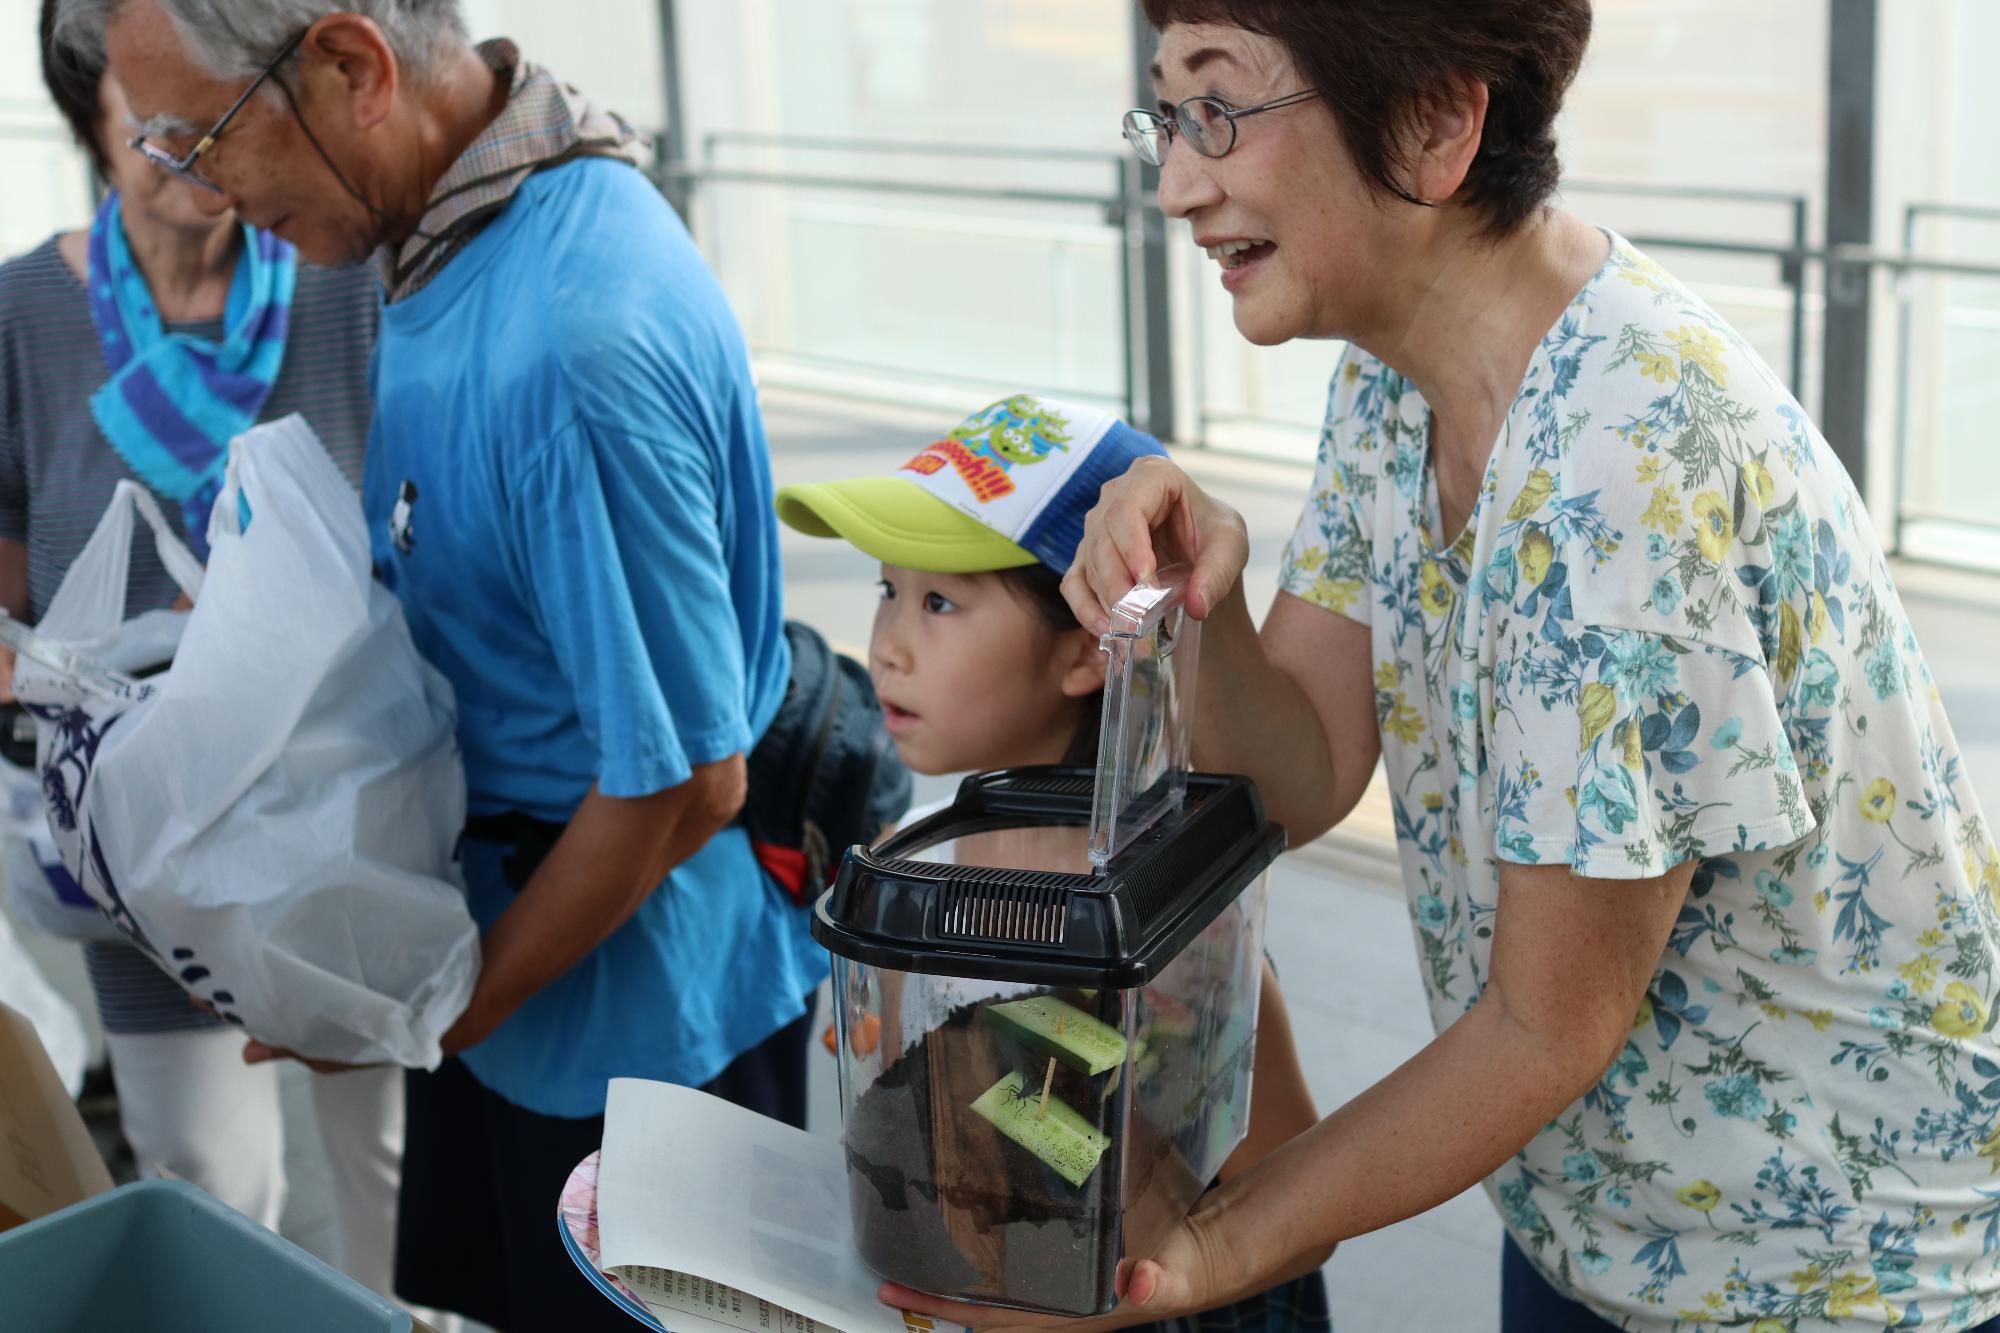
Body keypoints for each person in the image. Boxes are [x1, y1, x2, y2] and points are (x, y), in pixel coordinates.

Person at [899, 5, 2000, 1332]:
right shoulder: (1394, 376)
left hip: (1821, 1271)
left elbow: (1545, 1025)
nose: (1179, 182)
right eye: (1168, 116)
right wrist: (1211, 598)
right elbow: (1296, 777)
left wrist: (1206, 1248)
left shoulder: (1627, 466)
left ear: (1434, 121)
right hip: (1591, 1212)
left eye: (1220, 112)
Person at [51, 1, 829, 1326]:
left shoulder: (570, 339)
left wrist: (437, 1015)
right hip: (520, 974)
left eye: (201, 134)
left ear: (351, 65)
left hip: (627, 1038)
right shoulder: (450, 234)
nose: (197, 186)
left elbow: (686, 778)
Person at [0, 0, 424, 1312]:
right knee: (200, 1174)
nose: (188, 156)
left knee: (390, 1162)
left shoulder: (342, 278)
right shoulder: (26, 311)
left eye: (208, 126)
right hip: (150, 838)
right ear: (94, 123)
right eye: (152, 128)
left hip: (341, 807)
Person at [776, 393, 1332, 1333]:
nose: (887, 645)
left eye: (941, 600)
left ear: (1088, 650)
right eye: (887, 590)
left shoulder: (1174, 923)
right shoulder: (926, 856)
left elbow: (1300, 1205)